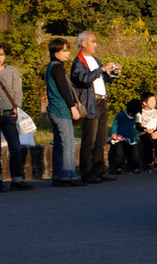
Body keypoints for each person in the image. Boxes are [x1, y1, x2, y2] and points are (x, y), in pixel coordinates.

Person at [70, 30, 120, 184]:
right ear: (84, 43)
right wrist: (101, 69)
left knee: (100, 139)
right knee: (89, 140)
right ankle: (87, 172)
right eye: (93, 41)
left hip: (101, 101)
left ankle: (100, 170)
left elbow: (100, 79)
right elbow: (84, 79)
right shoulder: (78, 63)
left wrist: (112, 73)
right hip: (90, 103)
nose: (96, 44)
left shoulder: (95, 60)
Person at [0, 42, 35, 192]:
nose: (0, 58)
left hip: (9, 114)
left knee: (15, 147)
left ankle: (17, 180)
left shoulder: (12, 71)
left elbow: (17, 91)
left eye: (2, 54)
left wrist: (17, 107)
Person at [44, 38, 85, 187]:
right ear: (56, 52)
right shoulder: (58, 68)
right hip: (61, 109)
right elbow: (63, 89)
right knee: (67, 144)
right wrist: (72, 106)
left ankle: (58, 175)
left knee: (58, 144)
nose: (67, 53)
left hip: (53, 109)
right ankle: (69, 175)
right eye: (64, 50)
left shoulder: (50, 67)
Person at [135, 92, 157, 172]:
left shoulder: (156, 112)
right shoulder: (140, 113)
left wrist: (156, 132)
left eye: (155, 101)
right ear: (144, 103)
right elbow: (138, 126)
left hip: (155, 132)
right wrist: (146, 130)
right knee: (149, 144)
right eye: (151, 101)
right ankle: (149, 163)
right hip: (145, 133)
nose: (154, 103)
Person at [110, 99, 142, 174]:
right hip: (120, 137)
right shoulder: (121, 115)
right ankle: (118, 167)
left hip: (131, 137)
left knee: (135, 151)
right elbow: (114, 124)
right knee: (119, 152)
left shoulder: (136, 116)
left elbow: (137, 126)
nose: (132, 115)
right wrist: (114, 133)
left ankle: (135, 167)